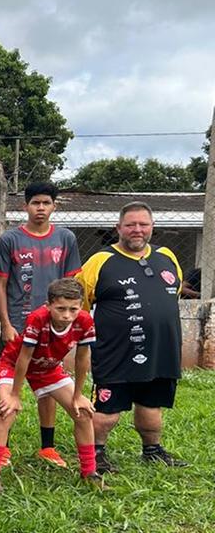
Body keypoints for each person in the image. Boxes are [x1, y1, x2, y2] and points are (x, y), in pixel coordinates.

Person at [77, 201, 187, 473]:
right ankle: (96, 453)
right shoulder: (101, 261)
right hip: (115, 351)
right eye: (130, 225)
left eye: (143, 224)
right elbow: (80, 302)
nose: (137, 230)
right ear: (119, 228)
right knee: (107, 412)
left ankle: (152, 450)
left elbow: (174, 293)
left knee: (152, 405)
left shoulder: (167, 256)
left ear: (152, 227)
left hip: (161, 350)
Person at [0, 181, 82, 467]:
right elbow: (1, 286)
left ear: (54, 206)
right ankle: (1, 449)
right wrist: (5, 323)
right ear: (25, 206)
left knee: (48, 384)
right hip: (18, 325)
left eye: (46, 203)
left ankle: (48, 447)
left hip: (54, 327)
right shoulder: (10, 240)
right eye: (35, 203)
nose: (40, 208)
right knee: (8, 388)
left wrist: (69, 324)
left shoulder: (66, 239)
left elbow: (73, 285)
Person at [0, 279, 100, 492]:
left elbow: (83, 358)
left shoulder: (84, 321)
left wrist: (78, 395)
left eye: (73, 309)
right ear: (49, 305)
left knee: (83, 413)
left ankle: (90, 472)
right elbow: (24, 358)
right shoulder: (38, 318)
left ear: (81, 305)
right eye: (61, 309)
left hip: (48, 368)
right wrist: (15, 395)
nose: (67, 315)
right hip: (13, 363)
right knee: (6, 411)